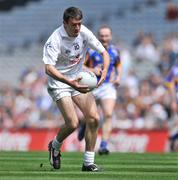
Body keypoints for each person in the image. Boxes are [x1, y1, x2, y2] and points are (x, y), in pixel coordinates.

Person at [42, 7, 110, 171]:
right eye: (74, 24)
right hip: (59, 82)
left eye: (79, 24)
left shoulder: (84, 33)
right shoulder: (55, 39)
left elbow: (104, 53)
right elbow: (48, 69)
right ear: (65, 23)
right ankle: (55, 146)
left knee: (94, 118)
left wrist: (105, 71)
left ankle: (88, 163)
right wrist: (69, 83)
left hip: (78, 78)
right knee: (72, 123)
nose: (77, 28)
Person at [78, 25, 122, 155]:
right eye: (102, 36)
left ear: (111, 36)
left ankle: (103, 145)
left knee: (108, 114)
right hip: (92, 87)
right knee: (89, 117)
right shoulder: (91, 51)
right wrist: (93, 70)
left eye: (106, 35)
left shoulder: (115, 51)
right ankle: (83, 125)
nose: (104, 38)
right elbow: (80, 66)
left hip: (107, 86)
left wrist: (118, 77)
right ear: (98, 36)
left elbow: (118, 65)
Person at [165, 62, 178, 151]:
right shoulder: (175, 70)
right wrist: (173, 100)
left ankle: (172, 138)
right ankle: (172, 139)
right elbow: (170, 84)